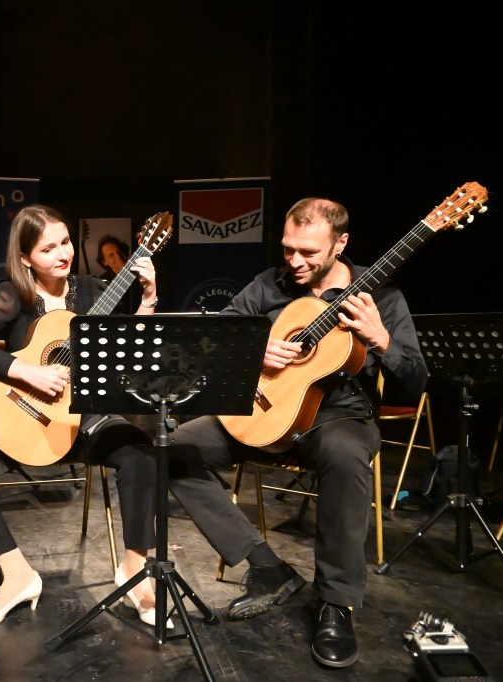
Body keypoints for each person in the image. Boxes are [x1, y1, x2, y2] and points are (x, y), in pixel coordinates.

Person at [168, 197, 428, 668]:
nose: (295, 261)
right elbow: (215, 339)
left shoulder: (382, 298)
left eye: (308, 252)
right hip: (266, 411)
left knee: (345, 455)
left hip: (338, 418)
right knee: (173, 447)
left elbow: (415, 382)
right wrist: (255, 349)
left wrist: (381, 339)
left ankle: (336, 603)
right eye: (288, 248)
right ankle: (267, 566)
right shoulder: (269, 285)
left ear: (340, 244)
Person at [0, 204, 165, 627]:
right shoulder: (12, 294)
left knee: (141, 454)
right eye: (48, 248)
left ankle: (135, 573)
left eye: (66, 242)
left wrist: (148, 298)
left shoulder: (93, 290)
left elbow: (131, 350)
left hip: (84, 422)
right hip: (26, 417)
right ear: (25, 258)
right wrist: (29, 372)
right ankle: (17, 576)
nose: (63, 254)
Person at [96, 234, 137, 313]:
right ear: (104, 262)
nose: (118, 256)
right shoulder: (101, 282)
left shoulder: (140, 275)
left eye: (119, 252)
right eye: (111, 255)